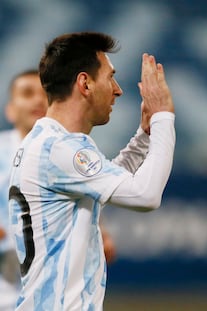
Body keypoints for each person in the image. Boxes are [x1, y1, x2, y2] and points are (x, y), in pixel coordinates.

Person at [8, 31, 175, 310]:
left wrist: (144, 136)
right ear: (85, 83)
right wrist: (163, 117)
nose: (118, 89)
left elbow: (104, 182)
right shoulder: (61, 149)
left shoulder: (45, 144)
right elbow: (146, 195)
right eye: (110, 77)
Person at [0, 69, 48, 311]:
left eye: (45, 94)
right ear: (10, 109)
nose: (38, 100)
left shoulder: (70, 156)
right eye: (28, 93)